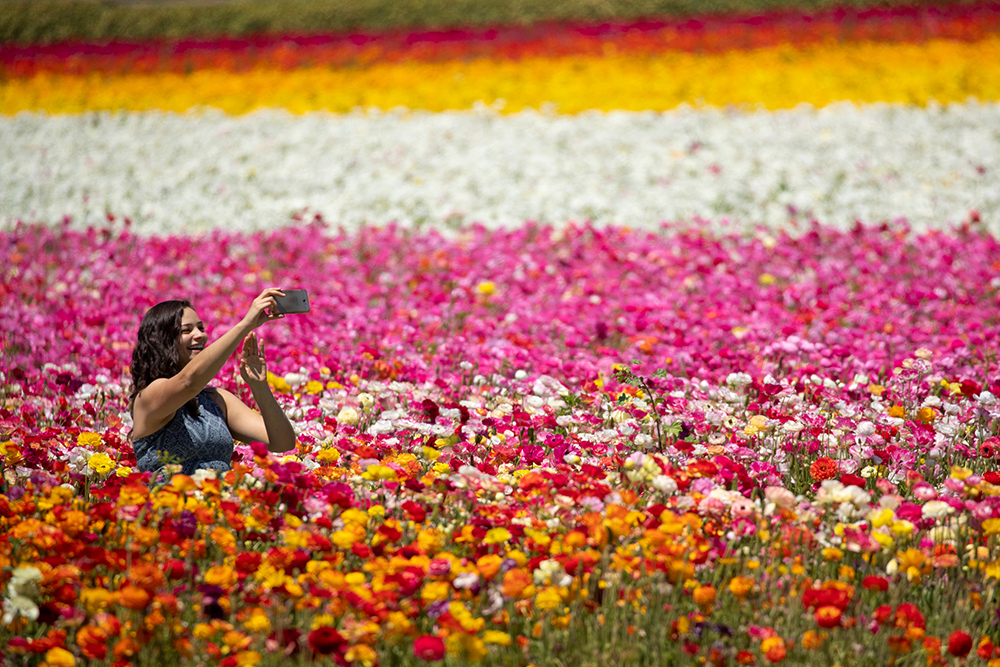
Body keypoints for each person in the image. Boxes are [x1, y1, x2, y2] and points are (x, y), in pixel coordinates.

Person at [128, 288, 297, 484]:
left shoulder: (217, 400)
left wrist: (259, 386)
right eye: (186, 330)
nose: (199, 335)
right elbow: (188, 382)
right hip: (170, 508)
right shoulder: (148, 397)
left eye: (201, 328)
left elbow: (282, 442)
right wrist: (245, 324)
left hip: (219, 507)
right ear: (162, 341)